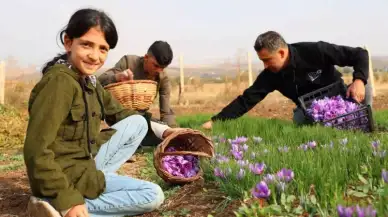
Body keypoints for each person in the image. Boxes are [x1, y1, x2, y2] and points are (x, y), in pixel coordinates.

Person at [24, 8, 186, 217]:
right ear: (68, 42)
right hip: (62, 176)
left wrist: (165, 131)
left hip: (83, 166)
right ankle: (57, 206)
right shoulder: (59, 83)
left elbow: (121, 114)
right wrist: (68, 201)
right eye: (86, 45)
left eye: (103, 49)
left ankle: (65, 203)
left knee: (137, 122)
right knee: (152, 194)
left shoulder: (88, 81)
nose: (95, 56)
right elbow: (36, 150)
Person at [202, 31, 373, 129]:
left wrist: (358, 80)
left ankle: (364, 123)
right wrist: (216, 121)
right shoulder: (270, 75)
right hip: (311, 110)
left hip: (340, 99)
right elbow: (246, 100)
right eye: (262, 61)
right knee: (299, 120)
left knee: (365, 83)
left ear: (282, 53)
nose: (265, 65)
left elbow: (360, 54)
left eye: (267, 60)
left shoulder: (314, 51)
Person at [98, 41, 177, 128]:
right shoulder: (128, 62)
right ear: (146, 57)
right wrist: (117, 77)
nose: (159, 71)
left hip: (141, 118)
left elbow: (166, 112)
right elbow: (99, 82)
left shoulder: (163, 78)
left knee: (160, 132)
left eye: (162, 68)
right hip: (117, 117)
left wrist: (172, 131)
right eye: (156, 66)